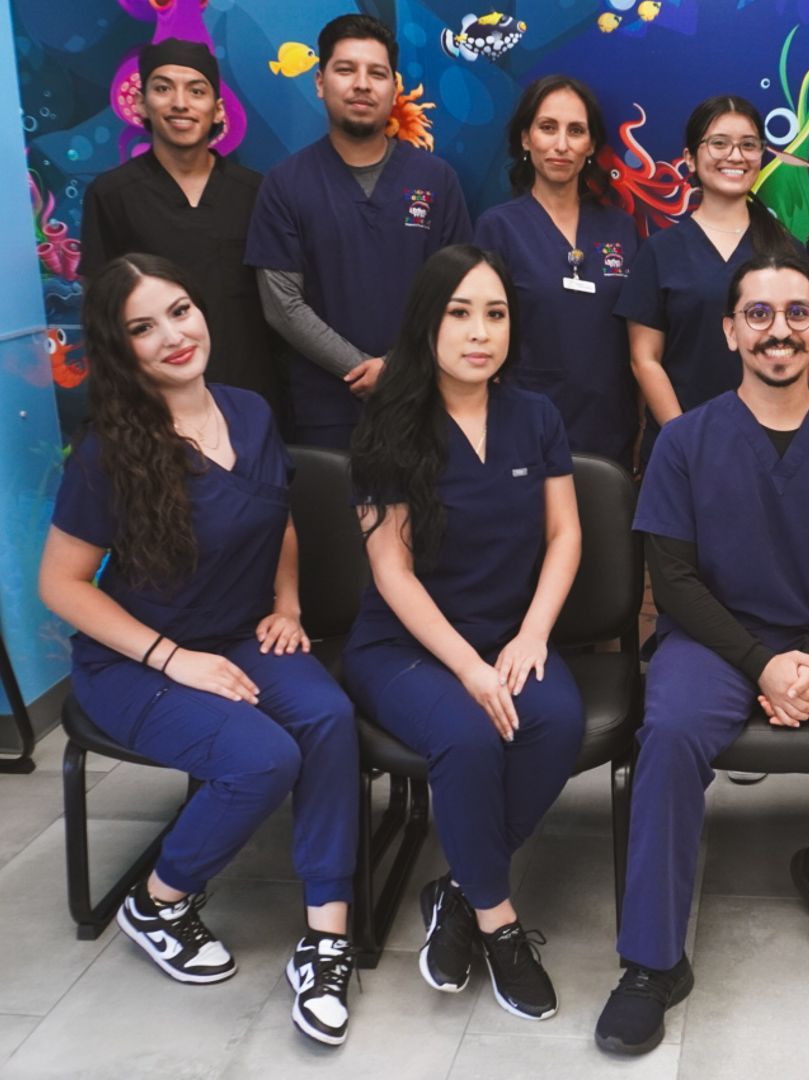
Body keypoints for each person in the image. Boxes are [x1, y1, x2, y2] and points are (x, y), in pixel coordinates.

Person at [595, 252, 809, 1056]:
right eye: (759, 314)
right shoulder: (685, 442)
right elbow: (670, 579)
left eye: (797, 313)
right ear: (729, 330)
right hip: (714, 639)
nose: (779, 330)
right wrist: (759, 663)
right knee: (669, 736)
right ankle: (651, 960)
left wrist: (807, 656)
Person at [37, 254, 359, 1046]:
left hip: (243, 636)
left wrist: (286, 604)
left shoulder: (248, 412)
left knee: (329, 718)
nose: (173, 336)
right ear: (122, 349)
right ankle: (159, 901)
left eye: (180, 310)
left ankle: (326, 937)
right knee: (261, 759)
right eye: (143, 328)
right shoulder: (110, 452)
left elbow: (277, 515)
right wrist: (175, 661)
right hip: (136, 662)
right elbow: (63, 586)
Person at [344, 245, 586, 1021]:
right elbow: (393, 575)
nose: (479, 332)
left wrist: (532, 635)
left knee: (557, 721)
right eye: (459, 313)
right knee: (473, 738)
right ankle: (499, 924)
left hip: (508, 636)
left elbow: (564, 537)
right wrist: (472, 671)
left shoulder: (536, 416)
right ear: (427, 322)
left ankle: (454, 888)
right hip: (407, 648)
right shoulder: (389, 426)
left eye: (495, 314)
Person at [246, 13, 472, 448]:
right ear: (319, 81)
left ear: (394, 87)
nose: (362, 84)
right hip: (327, 411)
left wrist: (400, 368)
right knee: (336, 517)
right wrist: (363, 368)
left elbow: (458, 294)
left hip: (424, 402)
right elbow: (282, 305)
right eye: (346, 69)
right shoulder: (285, 184)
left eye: (377, 73)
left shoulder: (436, 179)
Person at [80, 40, 285, 420]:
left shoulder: (257, 193)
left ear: (218, 109)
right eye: (162, 88)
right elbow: (101, 310)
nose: (180, 103)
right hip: (154, 404)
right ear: (141, 103)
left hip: (254, 396)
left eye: (196, 91)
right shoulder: (111, 195)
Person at [616, 94, 800, 465]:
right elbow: (644, 359)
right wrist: (684, 439)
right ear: (689, 158)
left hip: (768, 448)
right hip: (679, 449)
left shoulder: (788, 252)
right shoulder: (660, 251)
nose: (735, 155)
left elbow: (804, 354)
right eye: (719, 143)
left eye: (748, 145)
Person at [474, 75, 640, 466]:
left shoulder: (621, 228)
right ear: (525, 139)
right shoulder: (497, 228)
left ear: (591, 145)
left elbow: (643, 336)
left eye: (576, 131)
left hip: (611, 432)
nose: (562, 145)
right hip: (523, 433)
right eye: (548, 128)